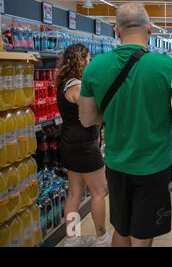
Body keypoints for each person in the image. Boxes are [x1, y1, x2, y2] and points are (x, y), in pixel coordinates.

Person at [78, 3, 172, 247]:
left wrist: (115, 112)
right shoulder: (168, 67)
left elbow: (87, 119)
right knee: (143, 237)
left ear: (116, 31)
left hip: (116, 164)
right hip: (154, 166)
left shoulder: (94, 67)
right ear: (150, 29)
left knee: (121, 229)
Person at [55, 43, 110, 247]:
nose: (90, 62)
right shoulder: (76, 85)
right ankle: (102, 238)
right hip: (84, 145)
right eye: (88, 59)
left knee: (74, 193)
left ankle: (72, 239)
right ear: (80, 60)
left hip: (70, 143)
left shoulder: (65, 82)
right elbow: (90, 109)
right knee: (99, 191)